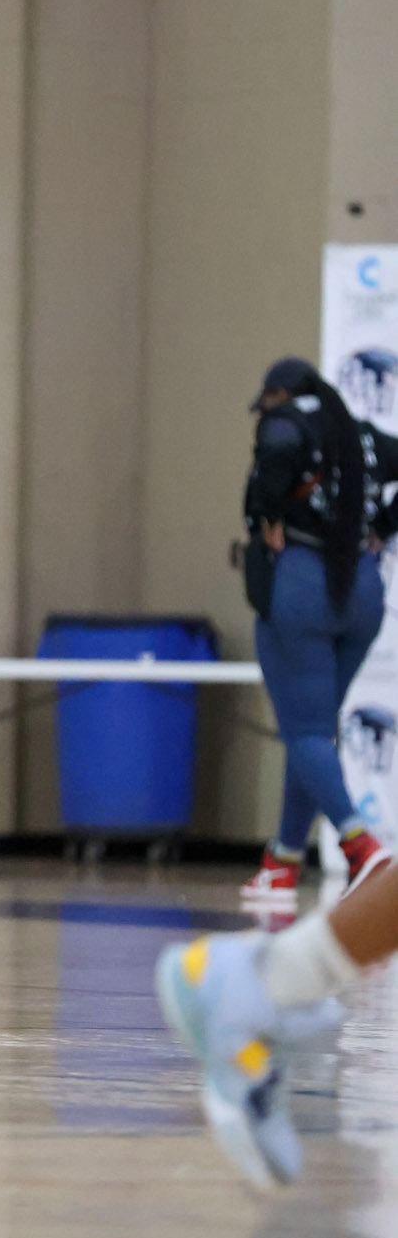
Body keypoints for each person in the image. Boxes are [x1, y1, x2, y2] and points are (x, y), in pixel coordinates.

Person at [237, 358, 397, 907]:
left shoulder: (286, 423)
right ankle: (282, 862)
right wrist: (383, 526)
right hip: (363, 590)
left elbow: (275, 459)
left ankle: (361, 846)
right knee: (311, 734)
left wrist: (266, 516)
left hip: (304, 584)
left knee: (305, 732)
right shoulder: (363, 434)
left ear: (279, 394)